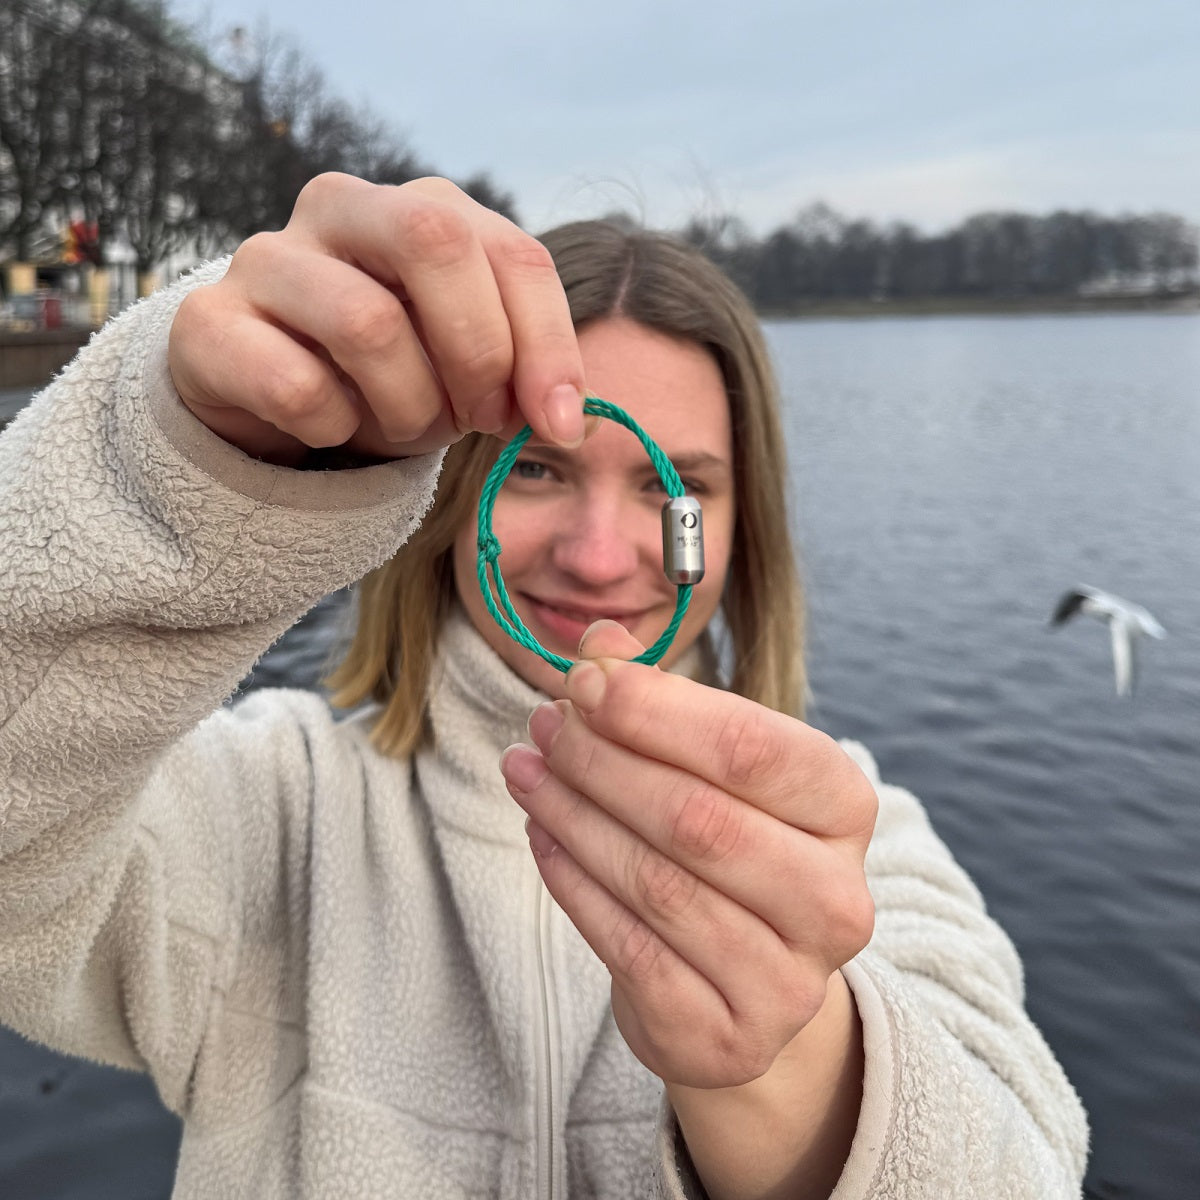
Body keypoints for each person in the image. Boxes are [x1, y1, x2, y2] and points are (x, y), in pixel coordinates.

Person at [0, 174, 1087, 1199]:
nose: (600, 560)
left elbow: (1024, 1163)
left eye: (675, 491)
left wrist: (801, 1067)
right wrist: (170, 468)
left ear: (739, 529)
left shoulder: (864, 849)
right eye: (535, 468)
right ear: (449, 498)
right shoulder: (268, 807)